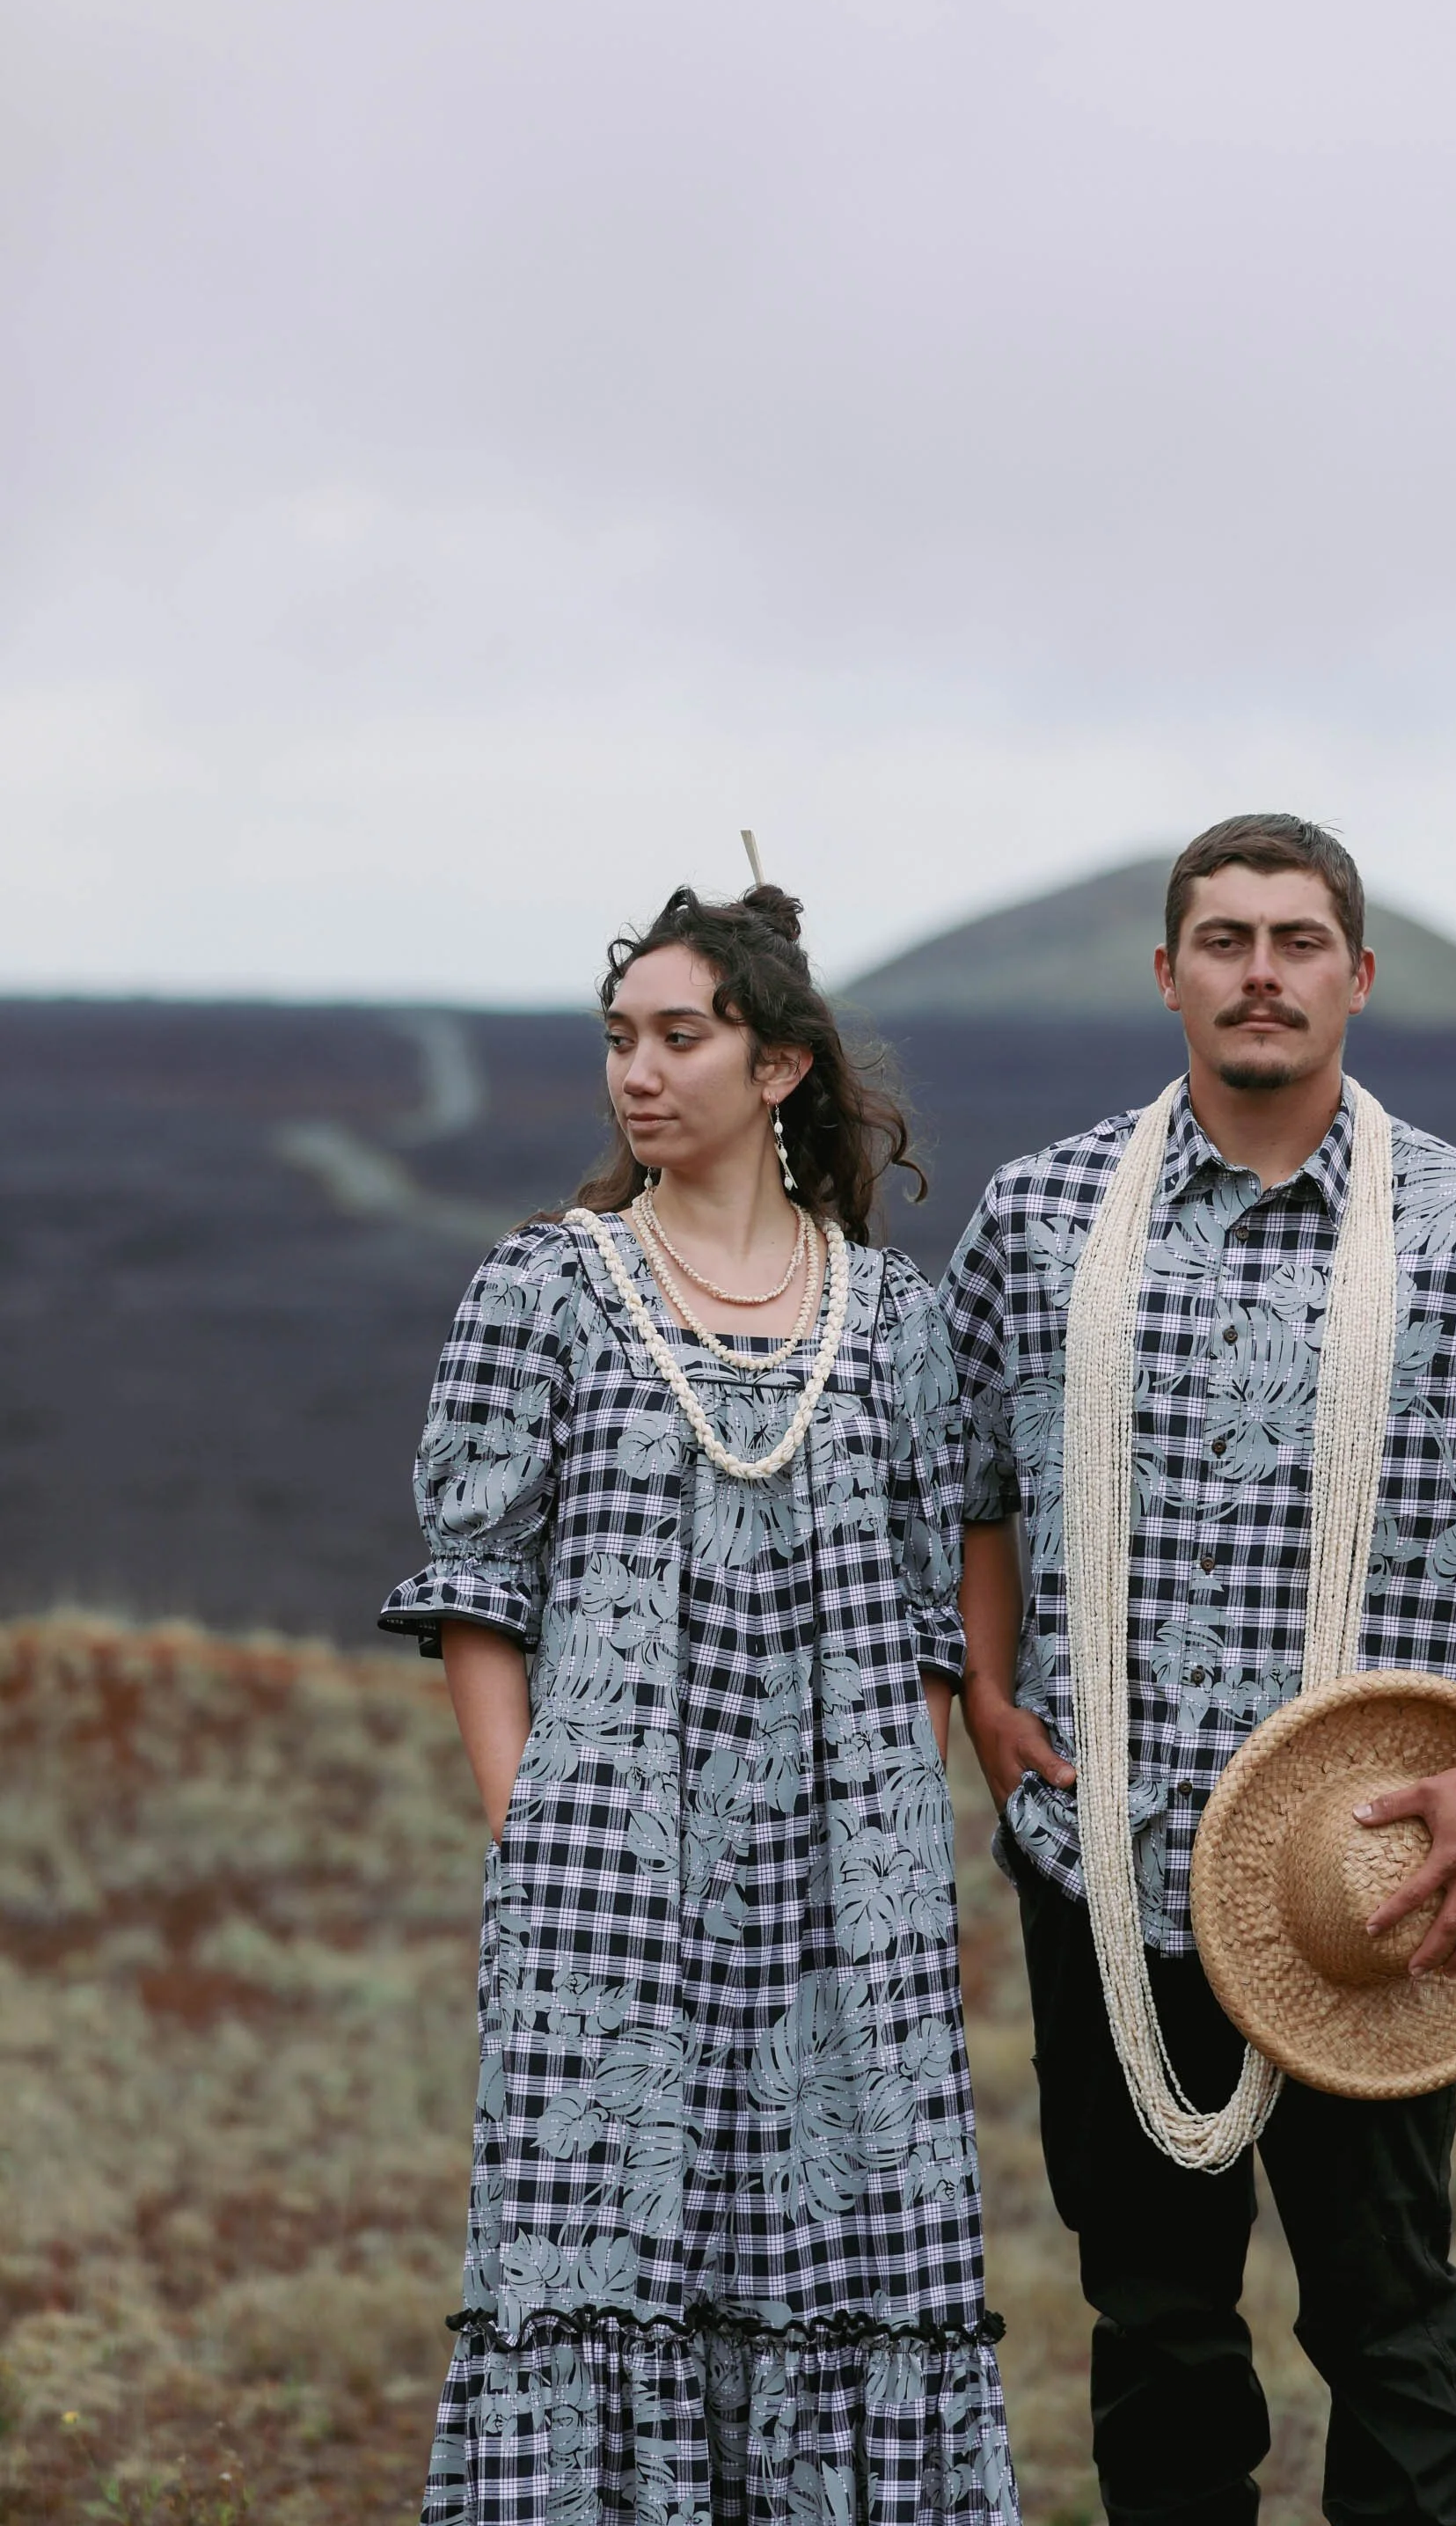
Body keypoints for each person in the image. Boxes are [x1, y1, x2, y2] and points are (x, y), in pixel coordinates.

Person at [943, 812, 1456, 2526]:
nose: (1259, 973)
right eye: (1225, 941)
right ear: (1168, 974)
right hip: (1107, 1861)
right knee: (1155, 2328)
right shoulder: (1042, 1219)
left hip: (1379, 1886)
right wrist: (985, 1693)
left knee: (1388, 2322)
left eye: (1295, 942)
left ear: (1357, 975)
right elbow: (968, 1486)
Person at [380, 878, 1017, 2526]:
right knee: (596, 2257)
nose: (637, 1073)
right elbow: (477, 1590)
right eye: (620, 1039)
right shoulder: (543, 1288)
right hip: (607, 1871)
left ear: (778, 1065)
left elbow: (930, 1619)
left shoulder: (897, 1321)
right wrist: (536, 1831)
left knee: (848, 2252)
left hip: (846, 1890)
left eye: (679, 1037)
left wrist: (892, 1847)